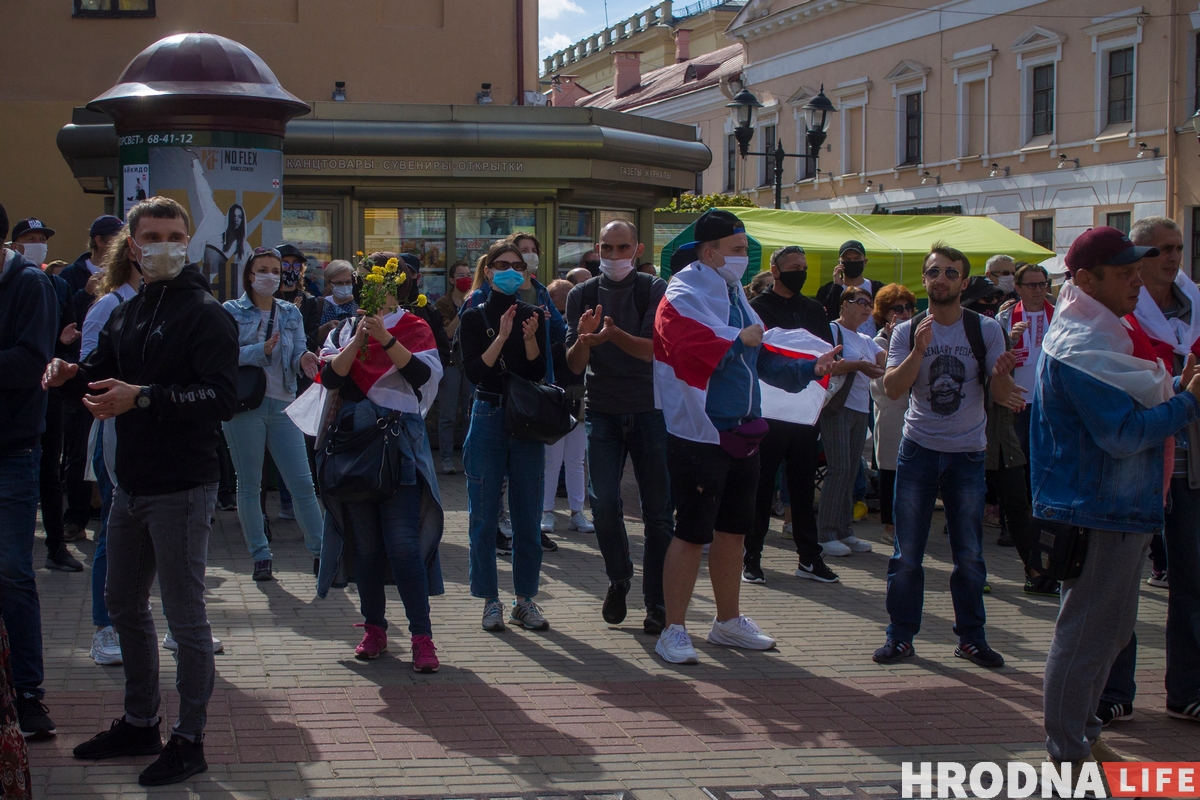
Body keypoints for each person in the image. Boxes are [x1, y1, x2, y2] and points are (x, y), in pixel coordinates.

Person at [44, 196, 238, 786]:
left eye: (174, 234)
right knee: (126, 607)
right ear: (132, 246)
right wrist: (67, 375)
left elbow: (223, 398)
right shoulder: (129, 311)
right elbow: (100, 376)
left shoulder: (206, 313)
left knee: (185, 619)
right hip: (129, 486)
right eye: (151, 235)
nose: (164, 245)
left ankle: (190, 737)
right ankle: (140, 719)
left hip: (182, 487)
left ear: (188, 239)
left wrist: (145, 395)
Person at [1033, 226, 1200, 765]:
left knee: (1104, 634)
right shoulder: (1084, 342)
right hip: (1098, 509)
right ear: (1086, 279)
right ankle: (1068, 754)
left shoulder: (1098, 331)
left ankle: (1080, 735)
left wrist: (1177, 392)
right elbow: (1123, 434)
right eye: (1126, 272)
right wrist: (1187, 401)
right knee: (1086, 638)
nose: (1138, 280)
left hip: (1112, 507)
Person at [652, 210, 838, 665]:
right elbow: (684, 341)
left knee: (734, 531)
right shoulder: (683, 290)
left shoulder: (735, 291)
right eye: (736, 250)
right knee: (692, 533)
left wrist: (808, 369)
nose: (743, 258)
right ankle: (672, 629)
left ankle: (727, 621)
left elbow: (761, 357)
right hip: (700, 432)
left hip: (744, 430)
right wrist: (739, 338)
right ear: (709, 250)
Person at [875, 242, 1018, 668]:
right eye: (934, 272)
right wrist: (920, 349)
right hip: (918, 450)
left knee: (970, 555)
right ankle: (900, 637)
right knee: (907, 554)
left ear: (965, 281)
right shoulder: (908, 330)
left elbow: (1000, 393)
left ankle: (971, 638)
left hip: (967, 454)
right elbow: (894, 389)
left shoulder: (986, 329)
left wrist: (1004, 378)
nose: (941, 279)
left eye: (950, 273)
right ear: (925, 280)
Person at [316, 262, 446, 672]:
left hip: (399, 447)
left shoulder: (414, 326)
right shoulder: (343, 330)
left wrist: (386, 337)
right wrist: (357, 340)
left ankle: (422, 637)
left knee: (404, 545)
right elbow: (329, 378)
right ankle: (374, 628)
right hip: (355, 448)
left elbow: (422, 376)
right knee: (368, 549)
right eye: (369, 282)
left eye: (385, 283)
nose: (376, 290)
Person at [1104, 215, 1200, 726]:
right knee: (1120, 582)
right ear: (1135, 257)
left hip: (1190, 460)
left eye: (1177, 247)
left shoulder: (1198, 305)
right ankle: (1115, 690)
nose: (1170, 257)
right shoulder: (1116, 310)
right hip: (1135, 458)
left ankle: (1187, 690)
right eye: (1159, 249)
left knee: (1193, 578)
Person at [565, 221, 671, 633]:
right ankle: (619, 576)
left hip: (650, 409)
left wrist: (611, 334)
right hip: (603, 411)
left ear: (638, 248)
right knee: (604, 505)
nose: (613, 256)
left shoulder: (653, 289)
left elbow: (650, 352)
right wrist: (584, 342)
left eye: (622, 247)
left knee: (659, 513)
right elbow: (574, 367)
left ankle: (657, 601)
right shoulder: (582, 294)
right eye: (606, 248)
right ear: (597, 249)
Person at [458, 240, 550, 632]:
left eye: (518, 264)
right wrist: (503, 336)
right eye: (503, 264)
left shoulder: (535, 315)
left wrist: (528, 339)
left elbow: (538, 374)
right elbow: (475, 373)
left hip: (526, 420)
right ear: (489, 270)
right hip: (489, 412)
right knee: (483, 513)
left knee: (527, 515)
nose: (511, 270)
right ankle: (490, 599)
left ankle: (525, 599)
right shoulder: (473, 316)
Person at [222, 248, 324, 582]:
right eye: (263, 270)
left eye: (276, 271)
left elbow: (296, 353)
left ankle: (322, 553)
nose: (271, 276)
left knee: (302, 484)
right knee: (250, 484)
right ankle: (260, 555)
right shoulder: (231, 311)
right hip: (244, 406)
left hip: (284, 404)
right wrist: (259, 351)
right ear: (249, 275)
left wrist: (305, 359)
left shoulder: (289, 313)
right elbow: (221, 357)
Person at [744, 245, 839, 585]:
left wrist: (822, 395)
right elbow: (752, 358)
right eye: (794, 266)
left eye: (804, 266)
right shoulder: (756, 308)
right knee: (761, 485)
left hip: (804, 413)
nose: (801, 271)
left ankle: (809, 558)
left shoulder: (814, 309)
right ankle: (751, 557)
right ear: (776, 269)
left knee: (801, 487)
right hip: (767, 412)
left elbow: (827, 357)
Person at [0, 202, 59, 741]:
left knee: (12, 570)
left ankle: (29, 694)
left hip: (12, 451)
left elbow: (28, 362)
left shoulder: (28, 285)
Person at [78, 228, 145, 668]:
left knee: (160, 533)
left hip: (160, 437)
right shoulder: (110, 305)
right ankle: (106, 628)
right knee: (113, 529)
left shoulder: (169, 305)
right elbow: (88, 371)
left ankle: (169, 625)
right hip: (116, 434)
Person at [10, 219, 86, 574]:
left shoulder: (55, 285)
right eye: (31, 238)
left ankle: (56, 546)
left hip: (48, 393)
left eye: (43, 238)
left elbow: (61, 340)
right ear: (15, 243)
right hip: (14, 401)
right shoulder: (15, 284)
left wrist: (63, 348)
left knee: (49, 473)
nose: (38, 243)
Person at [819, 287, 886, 557]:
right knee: (838, 470)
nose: (866, 308)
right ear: (844, 305)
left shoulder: (866, 339)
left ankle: (845, 530)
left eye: (869, 304)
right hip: (837, 408)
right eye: (860, 302)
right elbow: (828, 365)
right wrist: (859, 366)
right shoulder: (833, 330)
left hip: (860, 410)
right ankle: (825, 534)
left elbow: (885, 363)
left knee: (851, 471)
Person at [542, 279, 589, 548]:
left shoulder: (581, 326)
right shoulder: (547, 325)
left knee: (574, 460)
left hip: (577, 397)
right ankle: (547, 511)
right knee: (553, 460)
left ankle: (576, 512)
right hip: (552, 397)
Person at [870, 285, 915, 545]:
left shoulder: (916, 336)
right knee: (890, 471)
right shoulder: (879, 342)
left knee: (911, 473)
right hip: (890, 411)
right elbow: (881, 384)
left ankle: (908, 523)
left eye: (908, 307)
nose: (905, 313)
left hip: (914, 413)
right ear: (885, 314)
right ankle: (889, 526)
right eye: (897, 309)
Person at [434, 261, 475, 474]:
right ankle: (447, 460)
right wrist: (465, 309)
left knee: (470, 414)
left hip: (469, 361)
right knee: (448, 414)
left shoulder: (477, 300)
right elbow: (448, 332)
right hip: (450, 362)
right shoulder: (443, 303)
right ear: (451, 280)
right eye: (460, 275)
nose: (465, 278)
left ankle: (470, 458)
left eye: (468, 274)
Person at [815, 240, 886, 333]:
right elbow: (824, 318)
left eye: (856, 258)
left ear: (865, 262)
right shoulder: (827, 290)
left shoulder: (878, 288)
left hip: (873, 344)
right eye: (847, 259)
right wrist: (836, 287)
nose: (852, 262)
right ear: (839, 262)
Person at [275, 244, 323, 352]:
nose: (291, 269)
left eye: (296, 264)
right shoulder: (269, 298)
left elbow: (312, 343)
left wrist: (295, 321)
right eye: (285, 264)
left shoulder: (309, 301)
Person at [318, 259, 358, 327]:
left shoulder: (360, 304)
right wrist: (327, 327)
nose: (344, 286)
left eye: (348, 282)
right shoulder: (321, 305)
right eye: (339, 283)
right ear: (329, 284)